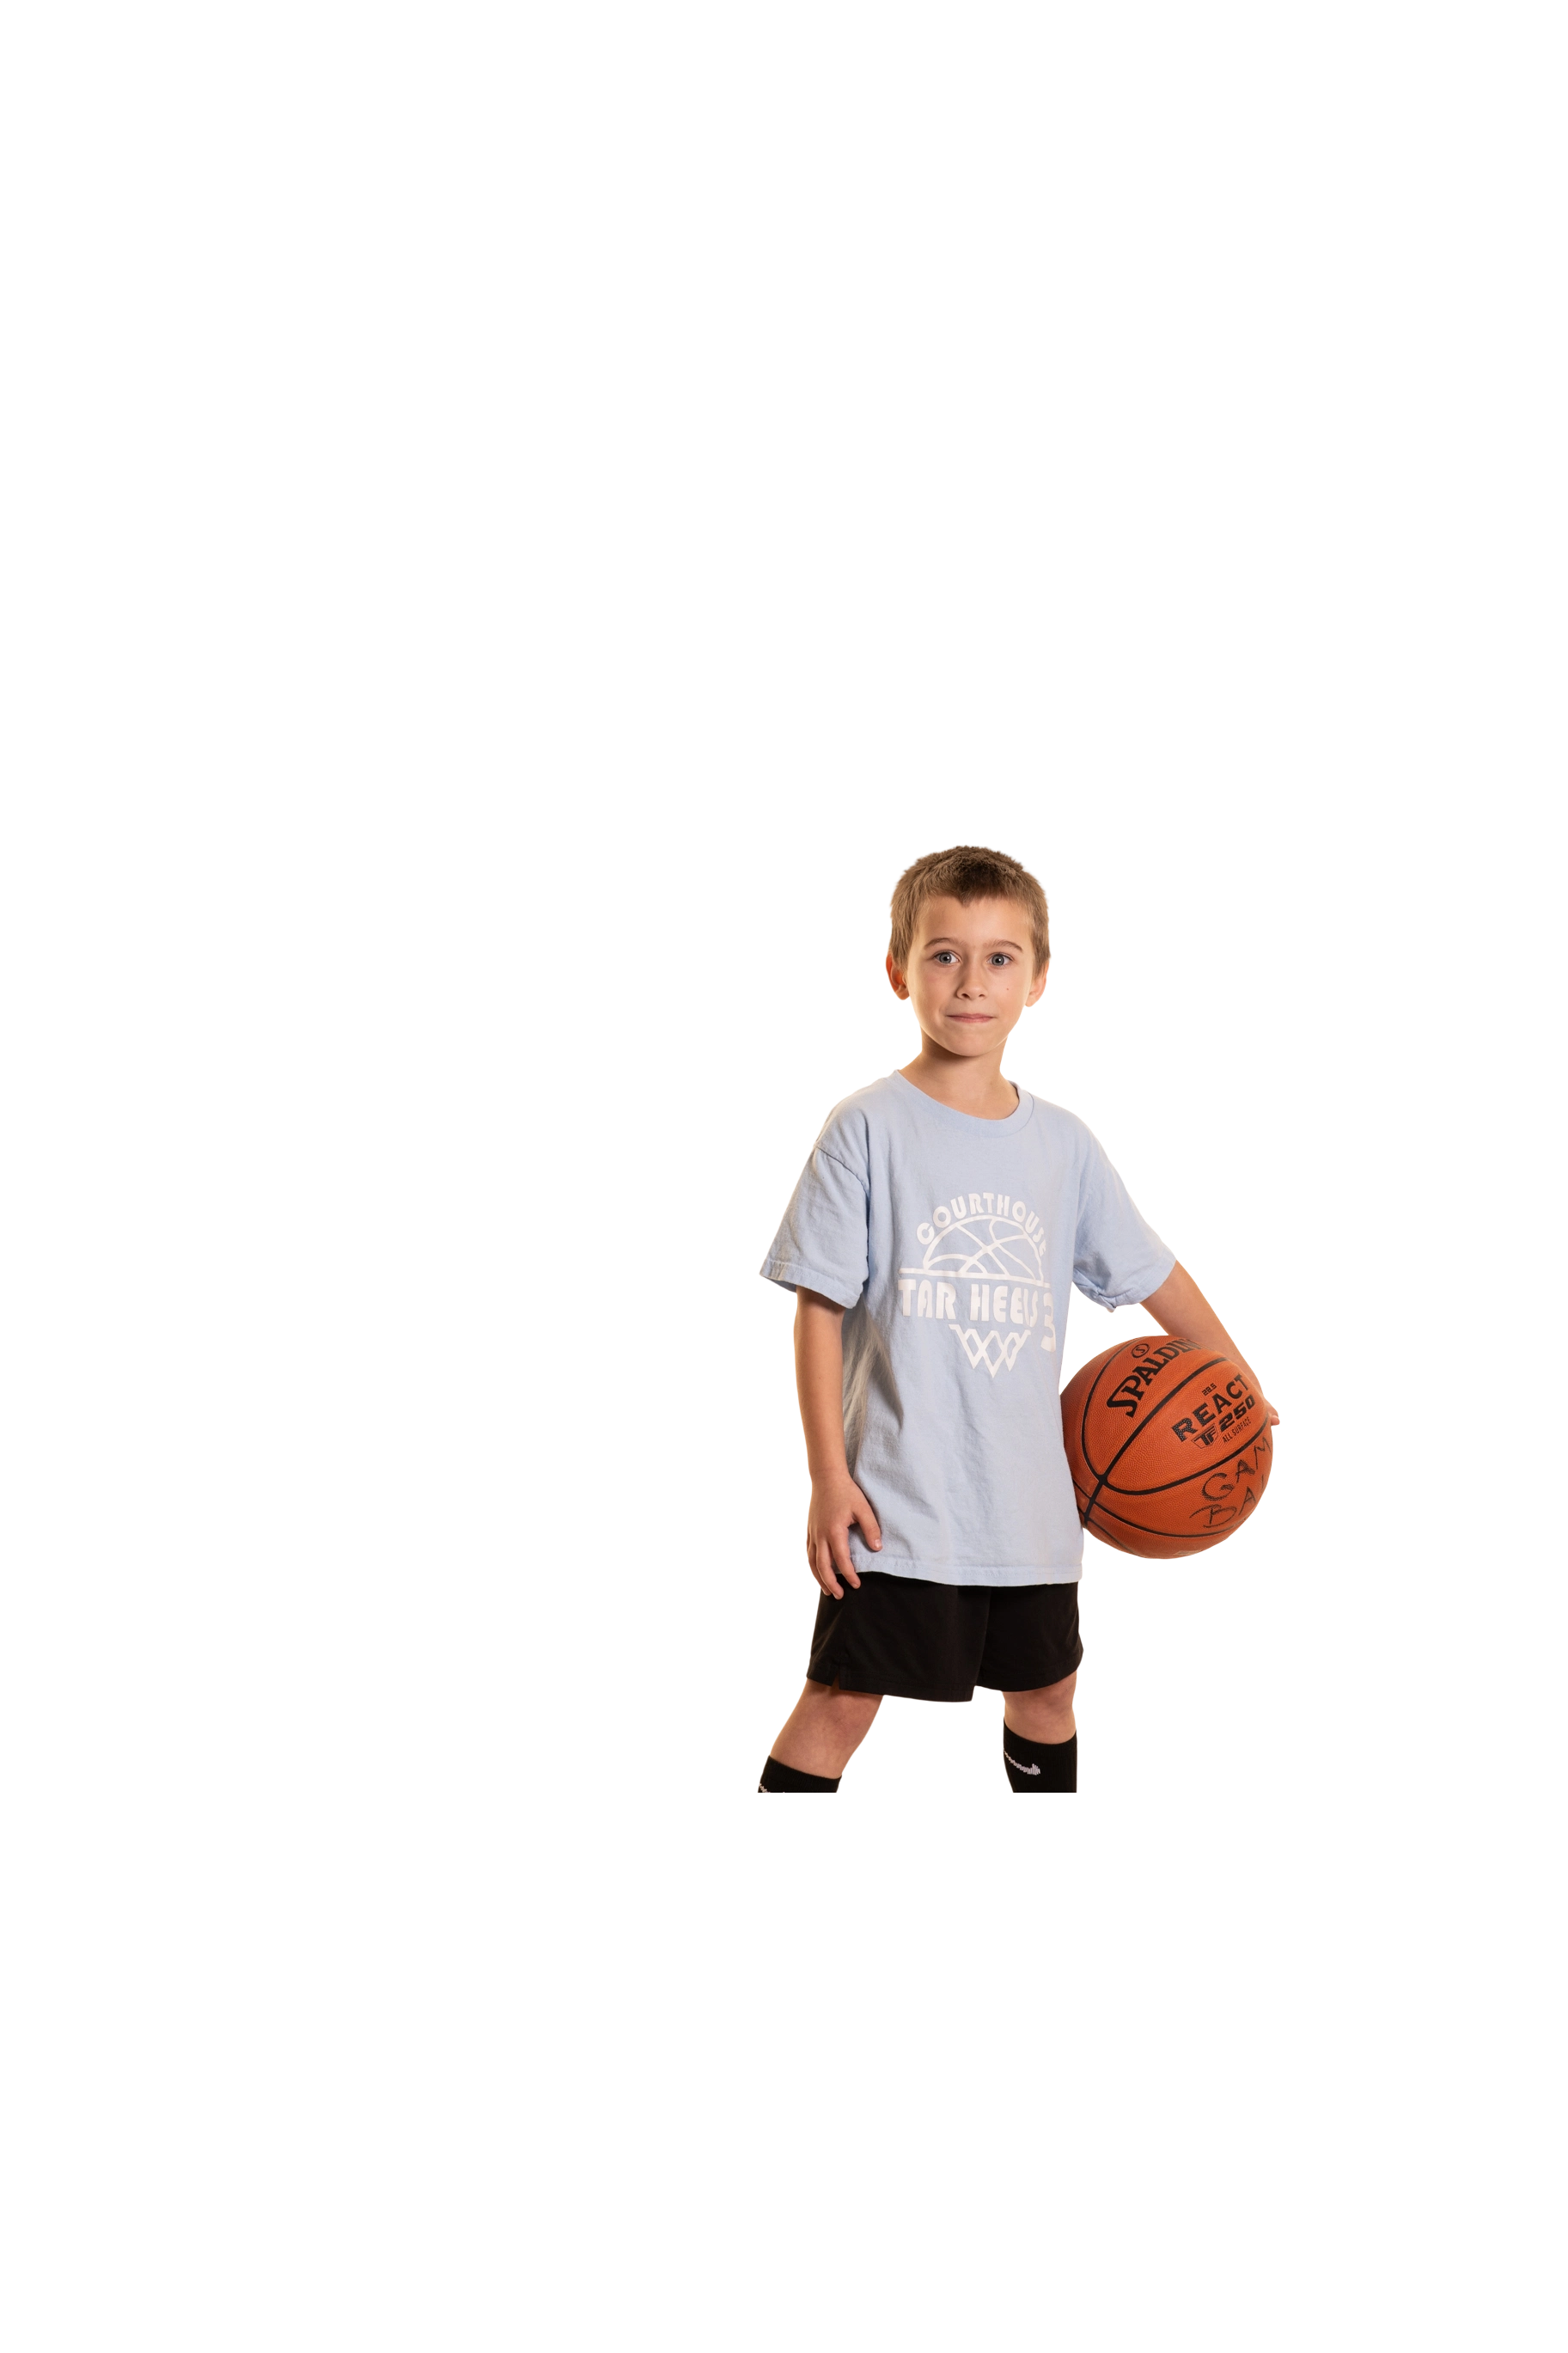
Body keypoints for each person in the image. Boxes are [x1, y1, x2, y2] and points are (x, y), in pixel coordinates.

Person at [756, 846, 1279, 1794]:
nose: (971, 981)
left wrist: (1236, 1380)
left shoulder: (1062, 1146)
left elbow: (1152, 1272)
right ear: (898, 971)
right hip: (898, 1505)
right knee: (840, 1701)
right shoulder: (866, 1128)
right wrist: (828, 1477)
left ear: (1037, 980)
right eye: (943, 955)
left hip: (1032, 1507)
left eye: (1000, 958)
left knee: (1047, 1693)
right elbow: (818, 1311)